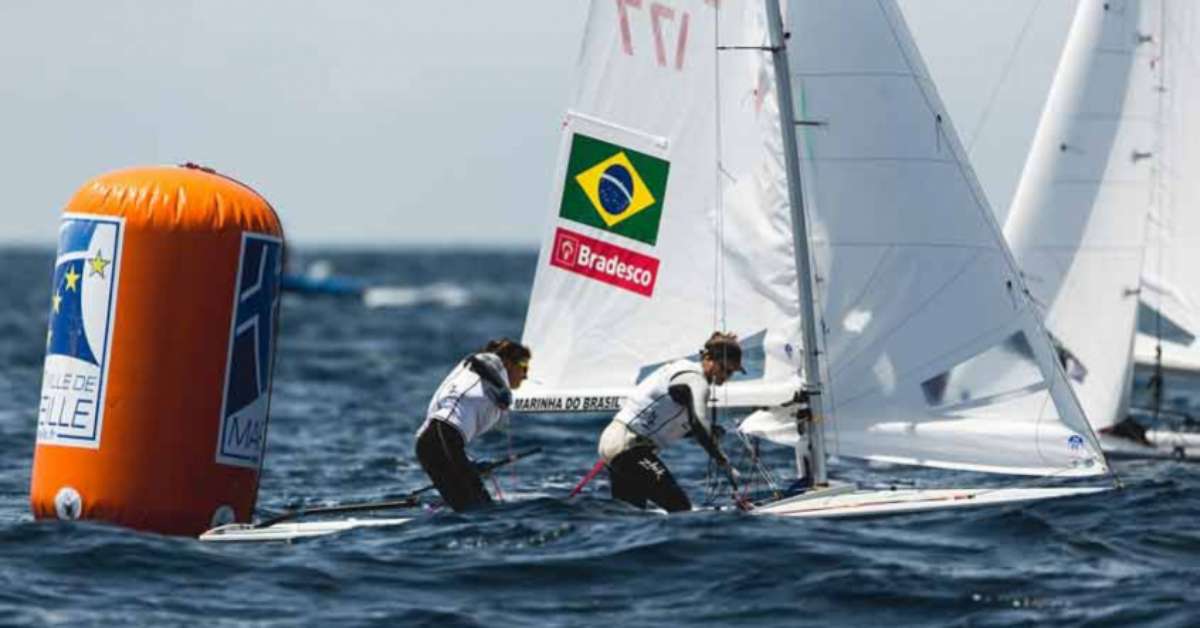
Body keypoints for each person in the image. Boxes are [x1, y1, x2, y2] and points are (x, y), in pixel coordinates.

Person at [597, 331, 745, 512]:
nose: (727, 377)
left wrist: (704, 431)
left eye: (732, 373)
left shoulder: (681, 369)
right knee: (680, 508)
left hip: (619, 442)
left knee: (630, 515)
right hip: (629, 446)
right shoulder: (696, 380)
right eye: (726, 370)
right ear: (710, 360)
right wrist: (724, 462)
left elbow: (668, 421)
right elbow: (699, 422)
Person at [414, 338, 531, 511]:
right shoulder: (491, 362)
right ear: (507, 362)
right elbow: (477, 361)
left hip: (438, 443)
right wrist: (501, 387)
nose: (526, 374)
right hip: (439, 441)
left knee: (482, 507)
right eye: (523, 365)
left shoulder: (481, 385)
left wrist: (469, 463)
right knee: (476, 509)